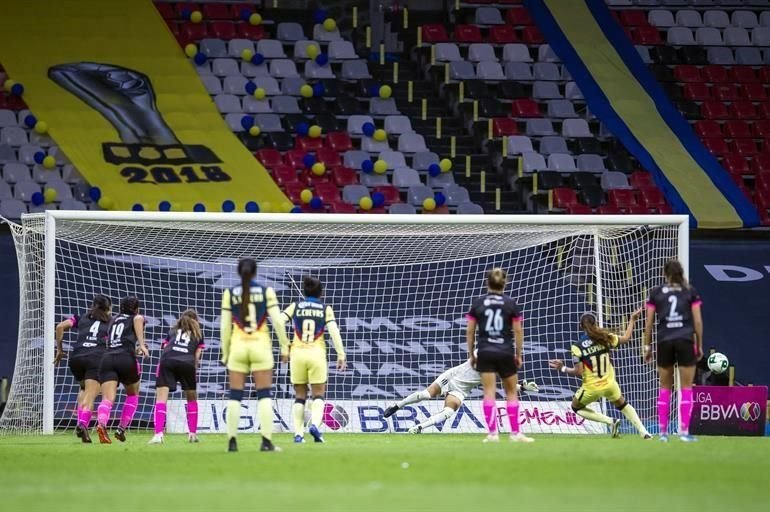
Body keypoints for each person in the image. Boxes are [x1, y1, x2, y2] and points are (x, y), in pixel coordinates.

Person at [221, 258, 289, 453]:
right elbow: (278, 321)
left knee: (235, 395)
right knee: (264, 395)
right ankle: (266, 442)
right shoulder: (267, 292)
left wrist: (225, 353)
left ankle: (232, 442)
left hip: (238, 347)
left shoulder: (229, 293)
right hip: (260, 347)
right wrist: (284, 346)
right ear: (256, 272)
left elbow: (225, 326)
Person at [548, 310, 651, 439]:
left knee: (576, 407)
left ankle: (610, 421)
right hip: (610, 384)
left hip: (592, 388)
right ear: (595, 323)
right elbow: (626, 338)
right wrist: (632, 320)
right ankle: (644, 432)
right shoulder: (605, 337)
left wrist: (562, 368)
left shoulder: (577, 347)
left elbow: (579, 372)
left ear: (581, 327)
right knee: (623, 405)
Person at [467, 268, 533, 443]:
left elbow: (470, 331)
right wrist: (518, 354)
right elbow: (518, 331)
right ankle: (515, 433)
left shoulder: (478, 303)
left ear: (487, 282)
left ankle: (492, 434)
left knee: (489, 393)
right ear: (505, 283)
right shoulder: (510, 303)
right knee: (511, 392)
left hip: (485, 351)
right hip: (505, 351)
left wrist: (471, 354)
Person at [383, 361, 539, 434]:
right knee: (426, 394)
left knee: (448, 413)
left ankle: (418, 428)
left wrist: (523, 388)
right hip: (451, 376)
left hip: (461, 389)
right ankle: (397, 406)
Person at [643, 260, 703, 442]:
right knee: (686, 388)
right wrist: (699, 344)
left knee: (664, 388)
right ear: (681, 273)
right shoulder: (690, 292)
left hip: (664, 341)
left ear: (665, 274)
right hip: (685, 340)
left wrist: (647, 346)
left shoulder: (656, 292)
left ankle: (663, 433)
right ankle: (684, 433)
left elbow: (649, 323)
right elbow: (698, 322)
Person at [282, 276, 346, 444]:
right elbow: (334, 331)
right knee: (318, 394)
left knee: (300, 395)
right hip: (316, 354)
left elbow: (278, 321)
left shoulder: (295, 306)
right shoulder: (325, 309)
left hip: (297, 354)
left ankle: (298, 434)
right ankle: (315, 425)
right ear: (321, 292)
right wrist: (341, 354)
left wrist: (284, 344)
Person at [55, 295, 112, 443]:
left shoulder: (80, 318)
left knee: (84, 390)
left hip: (76, 358)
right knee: (91, 394)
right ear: (108, 309)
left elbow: (60, 326)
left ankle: (82, 427)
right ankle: (82, 424)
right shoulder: (111, 321)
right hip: (95, 359)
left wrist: (59, 350)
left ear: (93, 306)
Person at [95, 295, 149, 444]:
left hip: (108, 358)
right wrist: (142, 345)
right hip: (125, 359)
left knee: (107, 399)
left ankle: (101, 424)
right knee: (132, 394)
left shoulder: (112, 319)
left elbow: (115, 341)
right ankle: (121, 429)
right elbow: (138, 319)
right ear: (136, 308)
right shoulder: (137, 317)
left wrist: (133, 349)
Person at [149, 310, 205, 445]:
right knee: (191, 397)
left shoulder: (172, 331)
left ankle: (158, 434)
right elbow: (198, 354)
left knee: (161, 398)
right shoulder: (198, 334)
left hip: (167, 360)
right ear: (195, 321)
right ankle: (192, 434)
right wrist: (194, 368)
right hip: (187, 361)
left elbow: (165, 347)